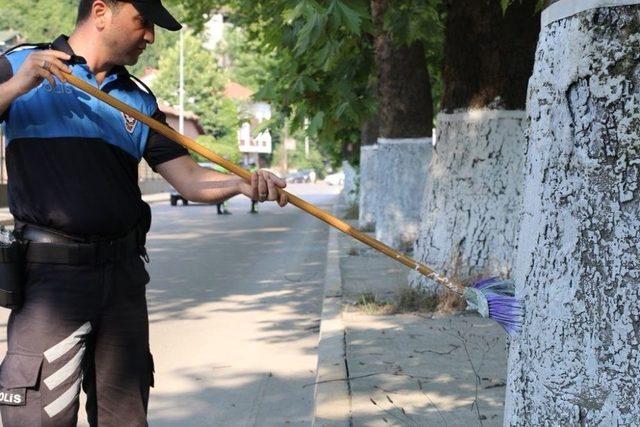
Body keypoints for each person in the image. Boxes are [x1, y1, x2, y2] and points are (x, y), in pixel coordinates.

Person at [0, 1, 288, 425]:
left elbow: (189, 179)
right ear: (101, 12)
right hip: (51, 285)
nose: (151, 36)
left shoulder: (137, 99)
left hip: (123, 281)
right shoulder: (21, 64)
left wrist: (243, 183)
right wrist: (18, 86)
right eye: (143, 22)